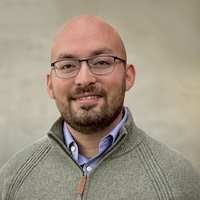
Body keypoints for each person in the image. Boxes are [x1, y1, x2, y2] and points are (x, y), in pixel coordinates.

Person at [0, 14, 200, 200]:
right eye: (68, 65)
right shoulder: (13, 178)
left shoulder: (178, 181)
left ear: (128, 77)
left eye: (102, 62)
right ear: (50, 85)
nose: (84, 79)